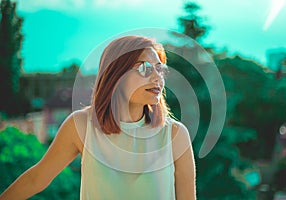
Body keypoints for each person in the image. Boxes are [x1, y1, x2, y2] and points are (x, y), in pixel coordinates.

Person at [0, 35, 196, 200]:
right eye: (145, 68)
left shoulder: (175, 135)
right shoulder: (81, 125)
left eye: (160, 69)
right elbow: (36, 179)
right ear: (116, 74)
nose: (157, 77)